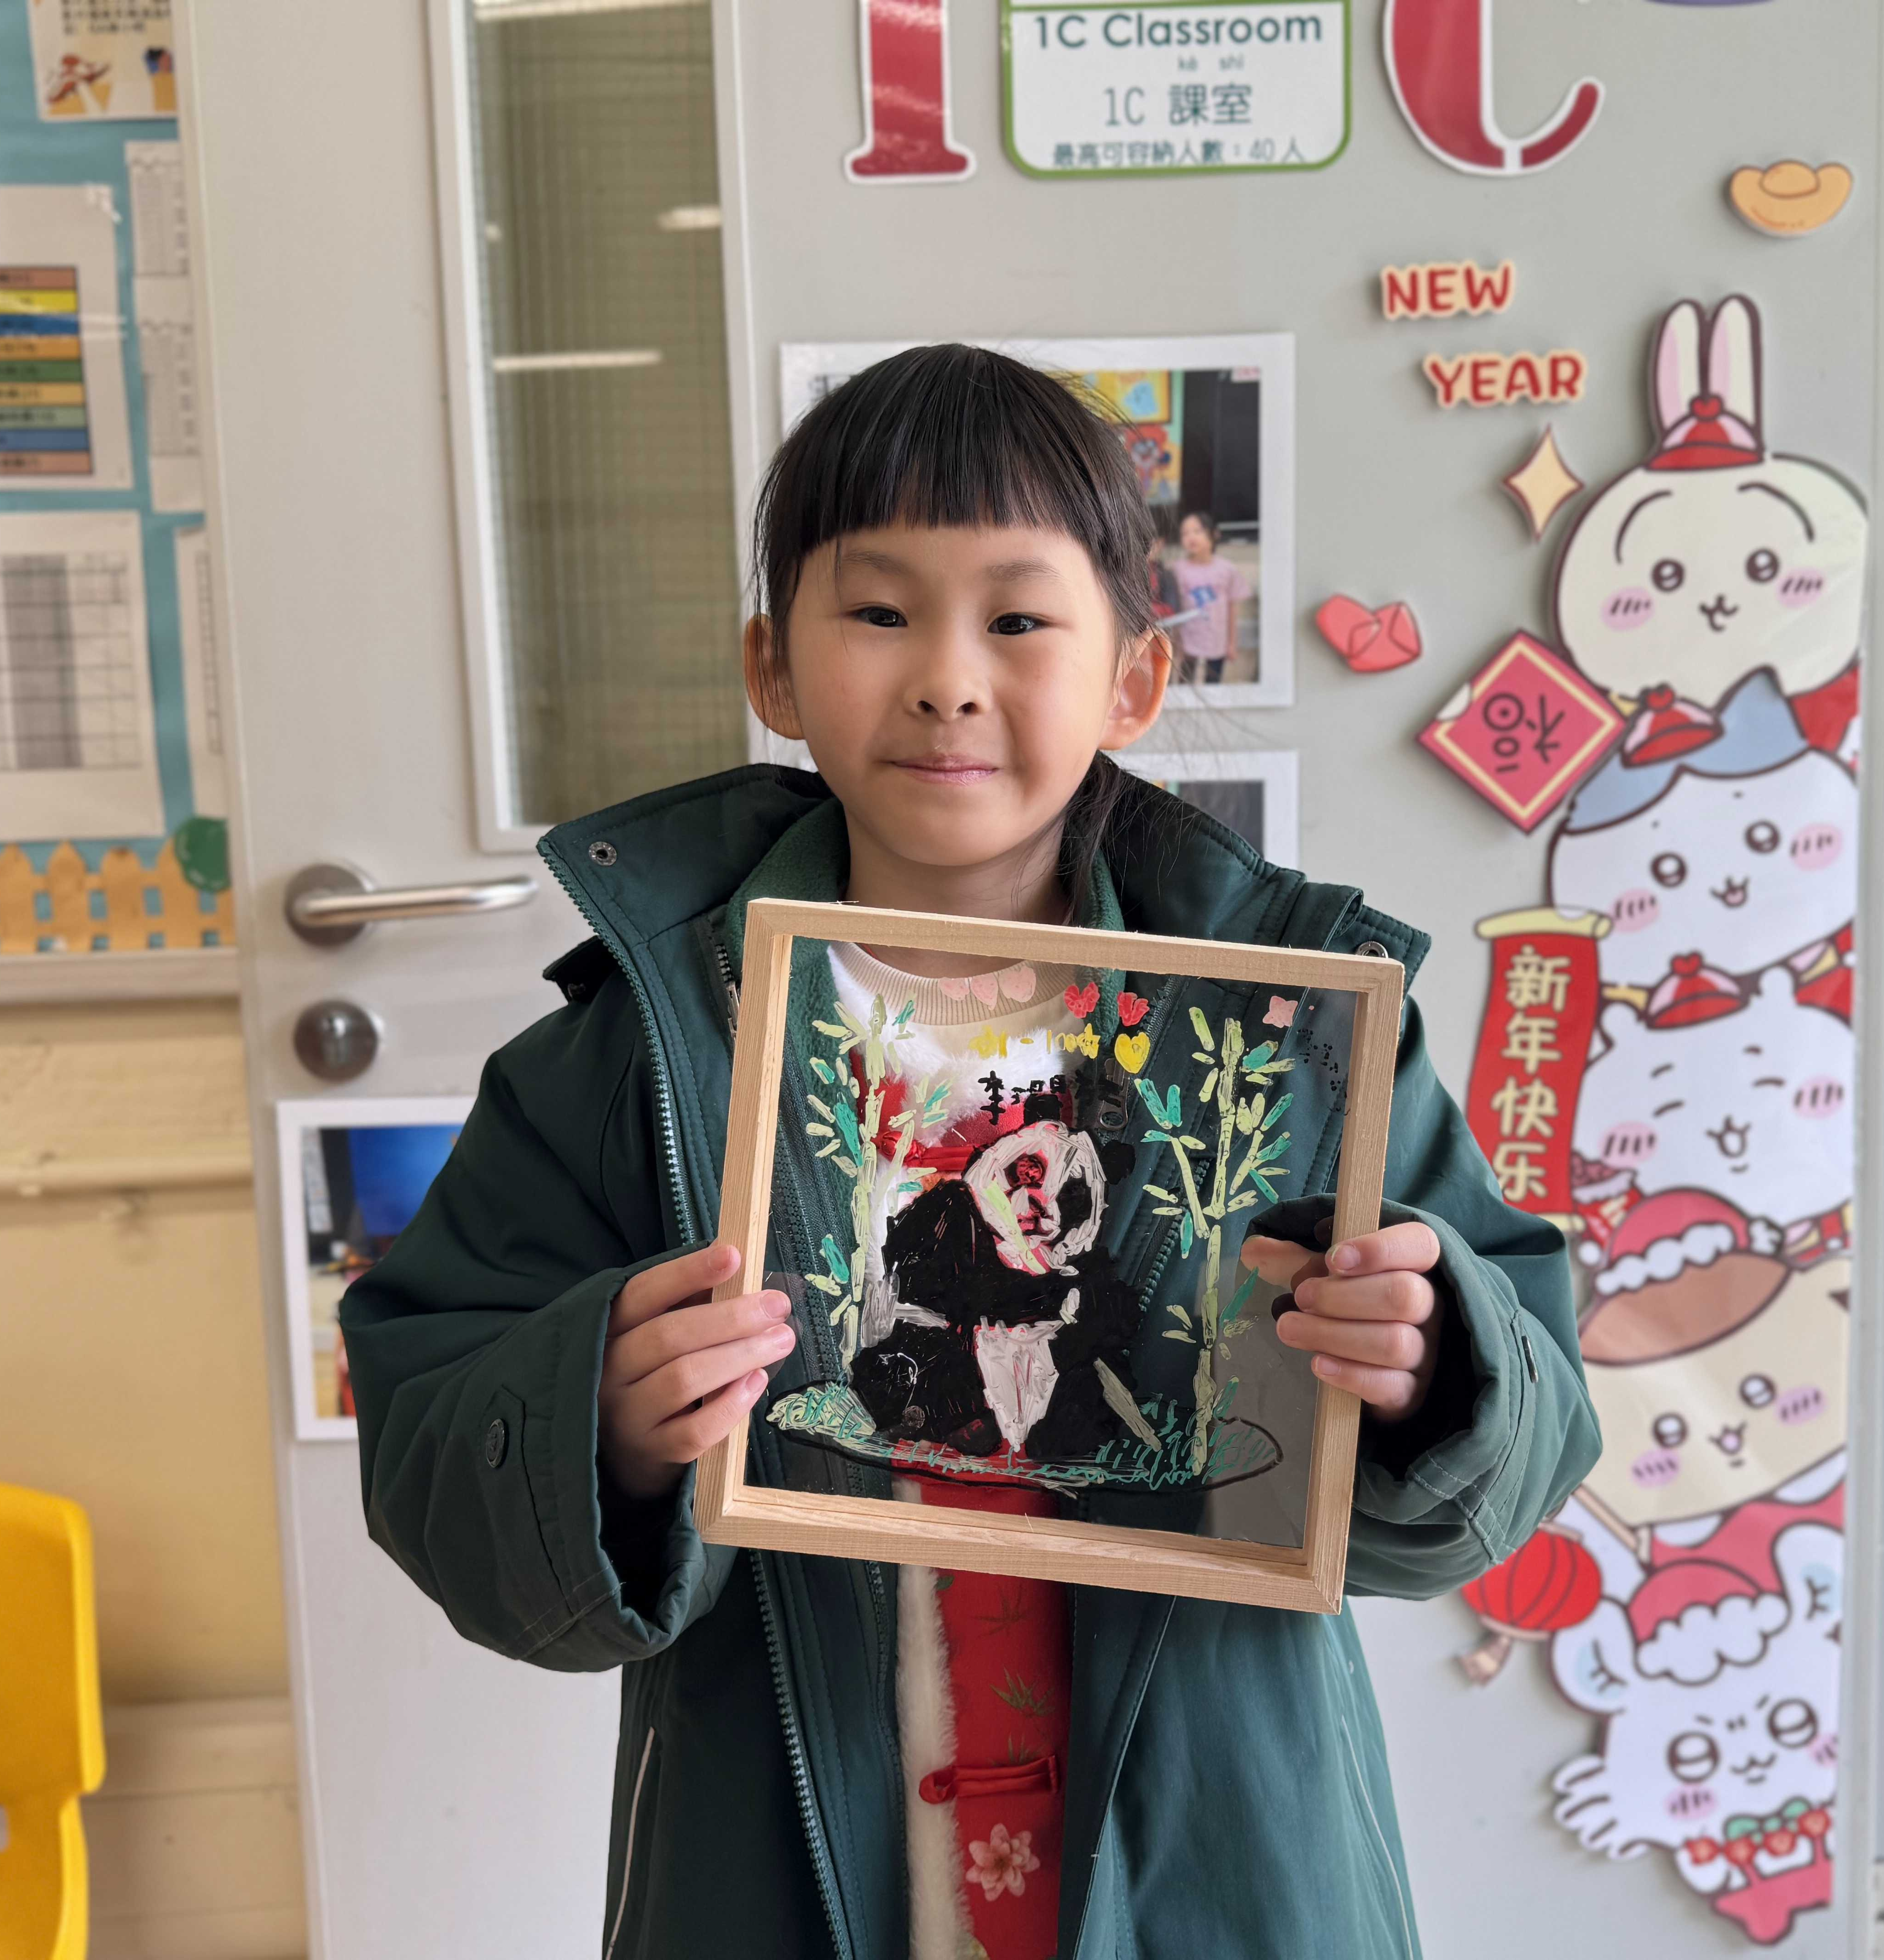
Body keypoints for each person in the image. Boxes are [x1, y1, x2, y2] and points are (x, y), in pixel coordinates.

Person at [339, 344, 1598, 1960]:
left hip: (1212, 1870)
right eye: (878, 612)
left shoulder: (1291, 1031)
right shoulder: (637, 1051)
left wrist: (1436, 1370)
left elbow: (1522, 1437)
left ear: (1132, 679)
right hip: (788, 1869)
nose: (945, 676)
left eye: (1015, 620)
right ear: (771, 667)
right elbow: (435, 1424)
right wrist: (601, 1420)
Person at [1168, 508, 1251, 684]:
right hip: (1188, 640)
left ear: (1214, 534)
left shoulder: (1227, 570)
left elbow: (1232, 609)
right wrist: (1175, 642)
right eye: (1185, 533)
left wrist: (1232, 644)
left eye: (1197, 531)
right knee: (1185, 683)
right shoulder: (1178, 569)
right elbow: (1174, 608)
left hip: (1217, 640)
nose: (1191, 538)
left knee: (1213, 684)